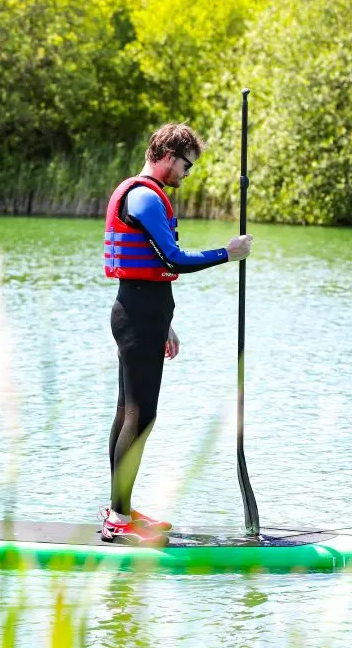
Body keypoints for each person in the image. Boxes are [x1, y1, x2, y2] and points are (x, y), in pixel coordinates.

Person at [99, 123, 253, 546]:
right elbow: (174, 258)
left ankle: (122, 511)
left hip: (142, 313)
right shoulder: (146, 196)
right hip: (137, 316)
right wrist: (228, 252)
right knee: (140, 416)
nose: (187, 174)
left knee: (129, 413)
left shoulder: (144, 195)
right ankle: (117, 518)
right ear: (168, 155)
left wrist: (163, 322)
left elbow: (149, 269)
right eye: (186, 165)